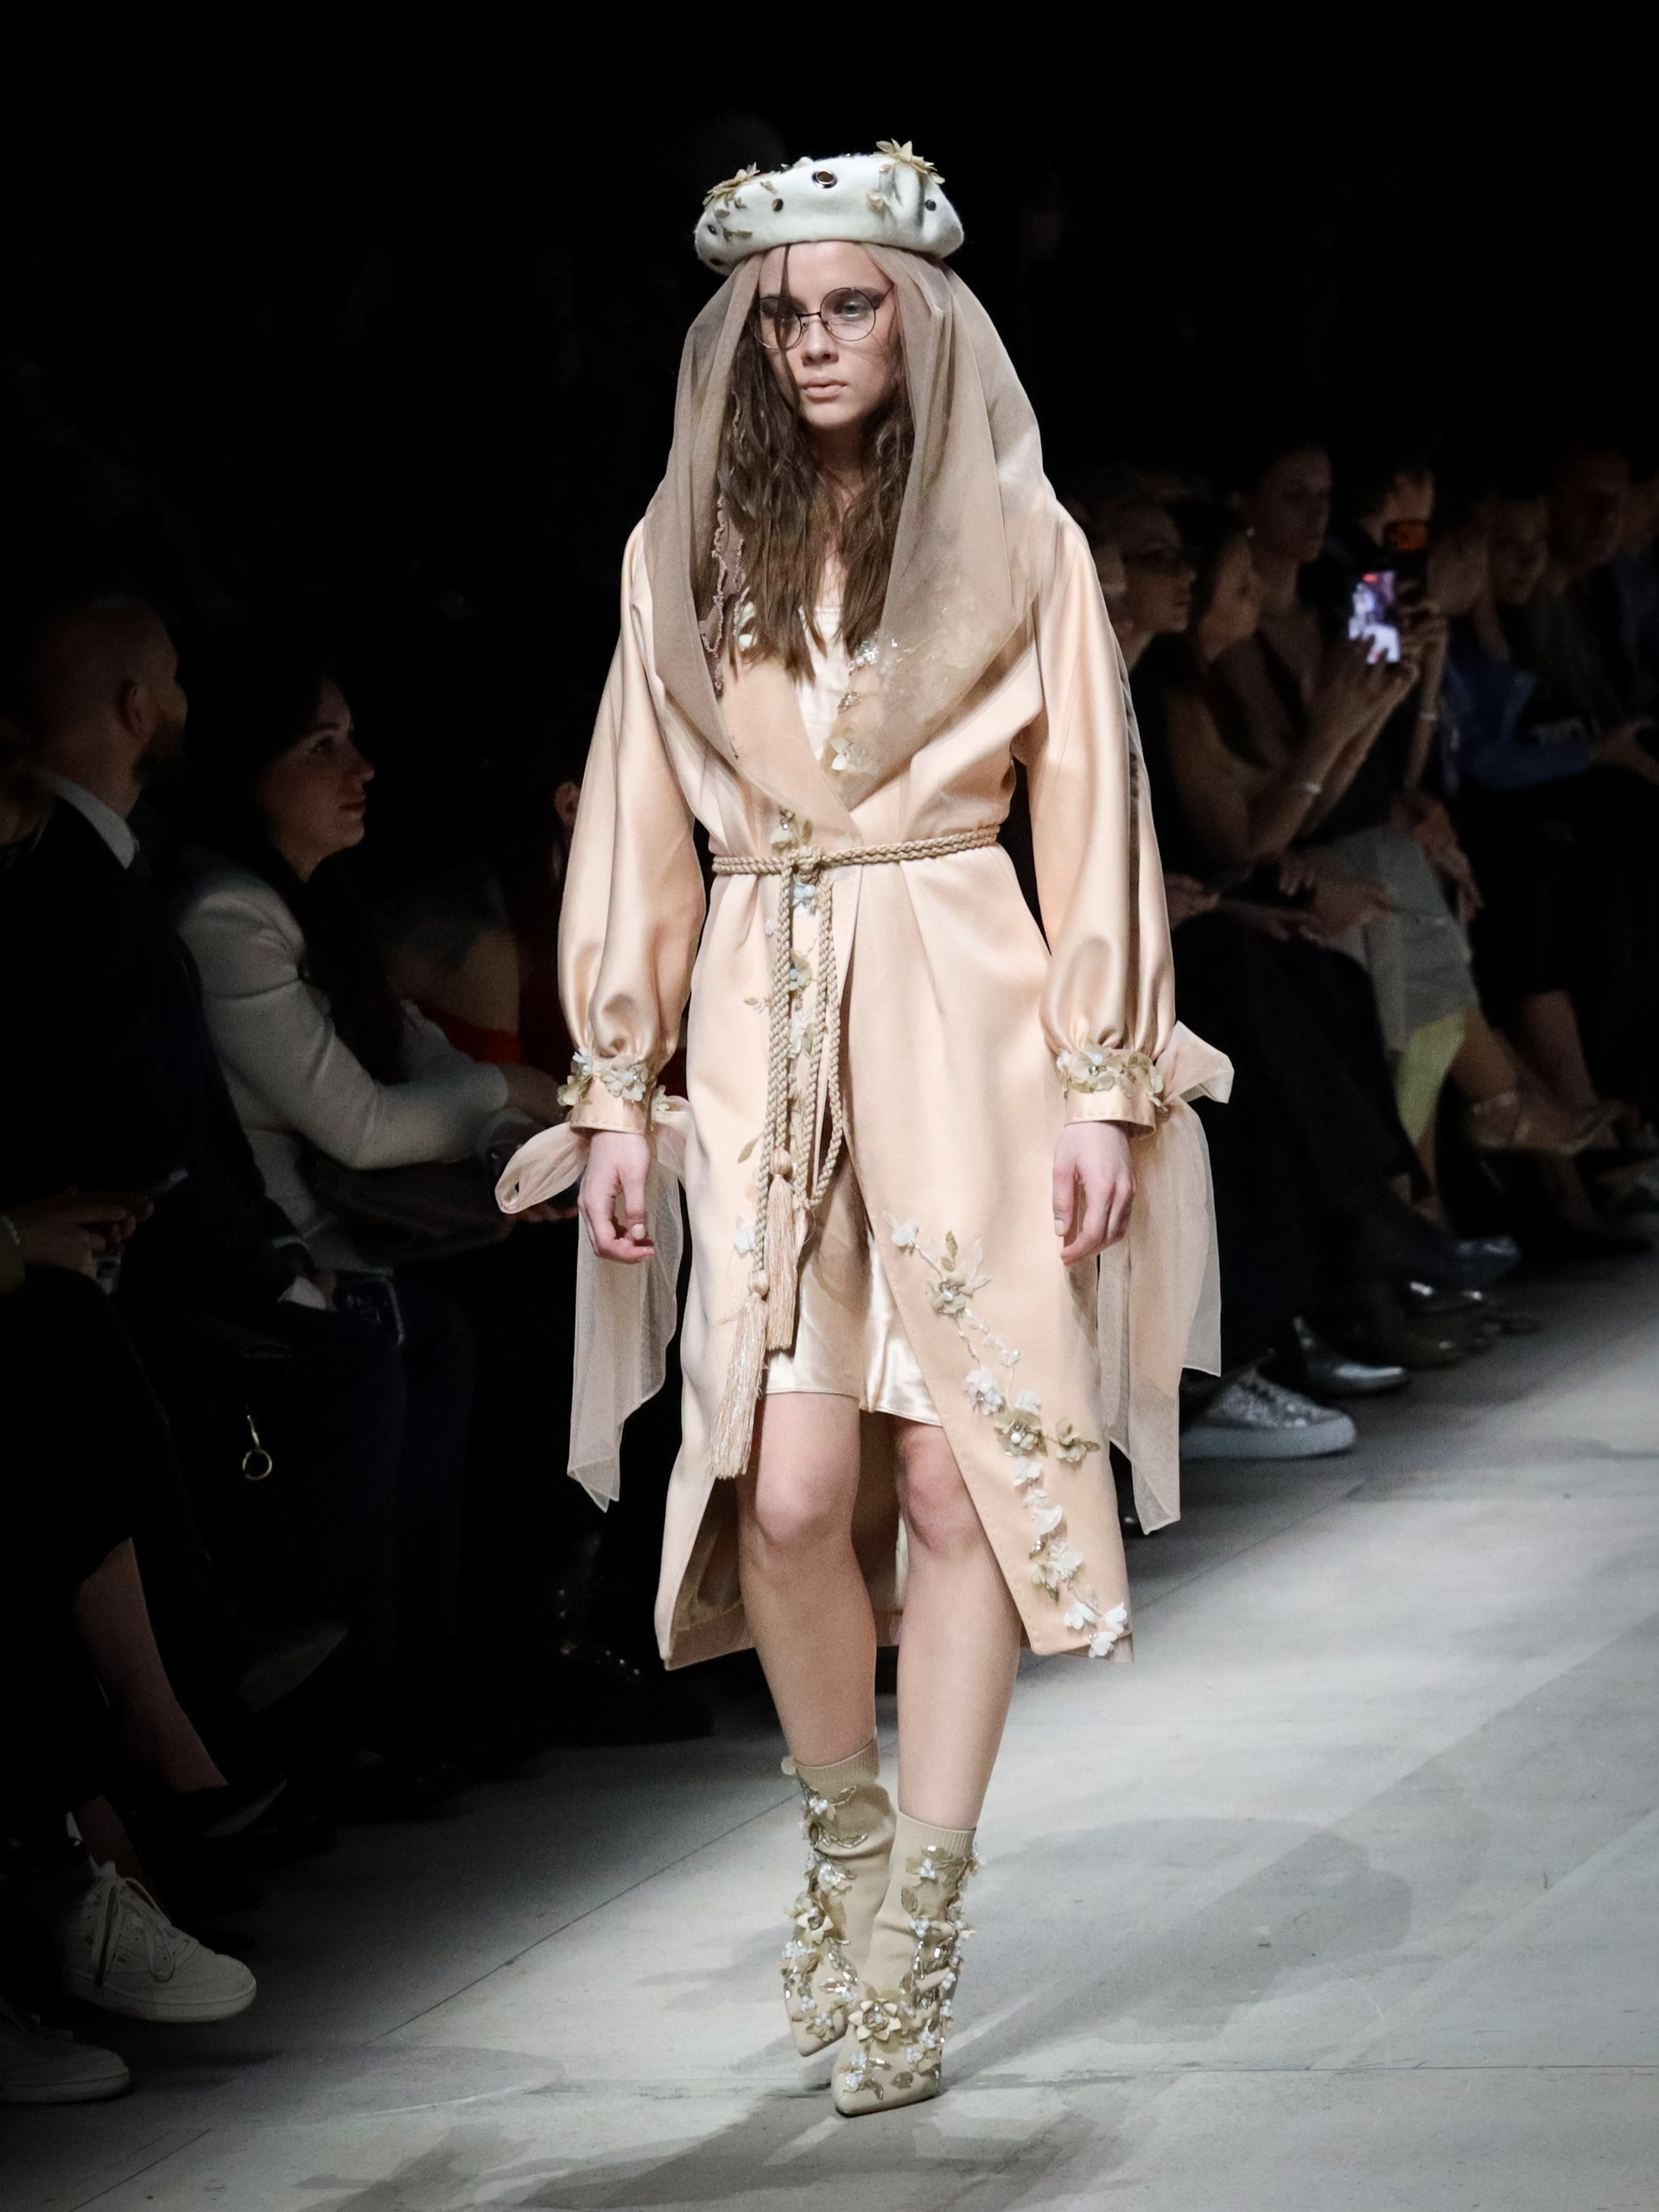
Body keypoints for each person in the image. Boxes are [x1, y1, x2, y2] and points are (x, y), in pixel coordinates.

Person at [499, 147, 1230, 2118]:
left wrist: (1102, 1078)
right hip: (765, 1015)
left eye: (851, 307)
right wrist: (620, 1086)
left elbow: (1094, 803)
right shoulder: (687, 543)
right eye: (785, 316)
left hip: (966, 1003)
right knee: (791, 1489)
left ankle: (925, 1907)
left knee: (956, 1474)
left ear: (920, 321)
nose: (815, 343)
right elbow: (638, 810)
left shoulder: (1018, 530)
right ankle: (845, 1833)